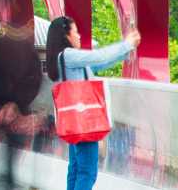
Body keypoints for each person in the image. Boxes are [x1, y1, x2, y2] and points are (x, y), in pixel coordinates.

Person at [45, 16, 141, 190]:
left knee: (75, 169)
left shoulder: (62, 59)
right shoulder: (69, 55)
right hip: (84, 122)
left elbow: (100, 63)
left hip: (73, 122)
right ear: (65, 35)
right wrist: (126, 44)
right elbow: (98, 56)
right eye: (75, 32)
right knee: (88, 172)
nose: (79, 36)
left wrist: (126, 51)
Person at [0, 0, 44, 188]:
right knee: (14, 147)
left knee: (6, 148)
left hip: (1, 106)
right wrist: (18, 103)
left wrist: (1, 101)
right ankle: (10, 179)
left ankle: (6, 179)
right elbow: (35, 75)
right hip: (20, 107)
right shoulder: (27, 39)